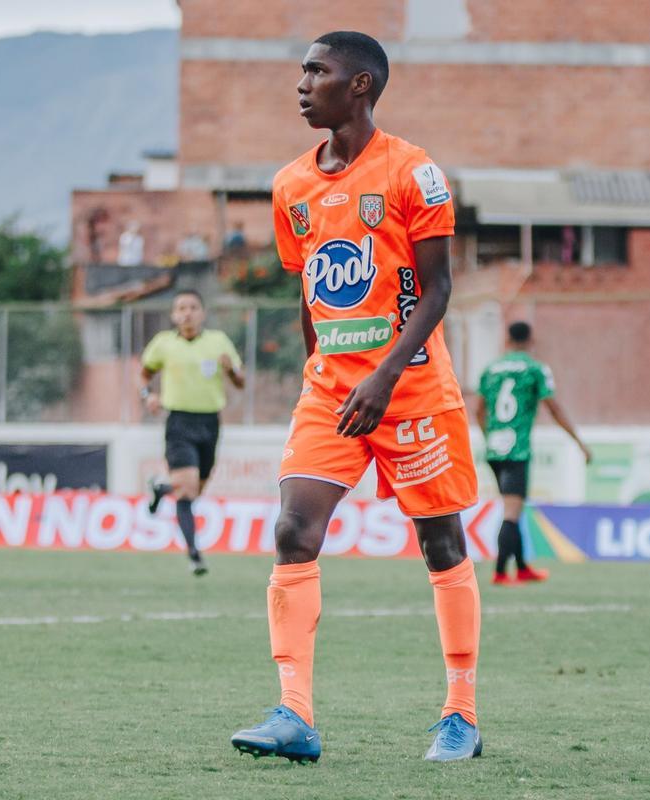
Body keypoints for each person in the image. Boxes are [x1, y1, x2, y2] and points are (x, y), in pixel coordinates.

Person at [229, 31, 482, 764]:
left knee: (440, 544)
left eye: (318, 71)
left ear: (361, 84)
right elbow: (308, 293)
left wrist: (383, 375)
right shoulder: (289, 186)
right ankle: (294, 715)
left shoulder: (414, 172)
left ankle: (460, 716)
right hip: (332, 394)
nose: (302, 84)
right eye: (303, 71)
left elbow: (436, 292)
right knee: (292, 531)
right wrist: (322, 372)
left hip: (411, 391)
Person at [476, 321, 591, 585]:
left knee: (513, 507)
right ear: (530, 340)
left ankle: (523, 567)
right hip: (518, 449)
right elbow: (554, 408)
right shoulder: (535, 369)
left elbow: (479, 410)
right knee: (512, 512)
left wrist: (489, 437)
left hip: (494, 448)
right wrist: (578, 442)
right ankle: (501, 572)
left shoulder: (490, 369)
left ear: (507, 340)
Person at [140, 290, 245, 574]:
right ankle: (194, 554)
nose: (187, 313)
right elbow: (145, 372)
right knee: (186, 491)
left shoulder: (218, 342)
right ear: (174, 315)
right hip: (179, 423)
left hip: (210, 423)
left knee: (195, 488)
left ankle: (162, 489)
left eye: (193, 307)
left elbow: (241, 381)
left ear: (202, 313)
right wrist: (147, 394)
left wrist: (232, 372)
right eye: (181, 308)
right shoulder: (163, 344)